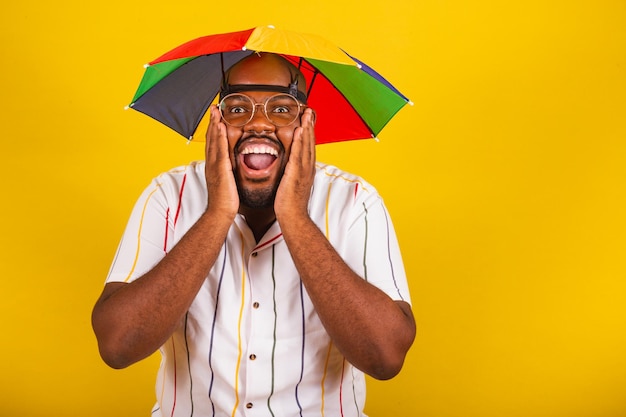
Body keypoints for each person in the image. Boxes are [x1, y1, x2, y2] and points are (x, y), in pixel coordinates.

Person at [92, 52, 416, 416]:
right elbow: (117, 347)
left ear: (307, 124)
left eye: (281, 109)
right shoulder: (168, 196)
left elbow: (386, 357)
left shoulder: (355, 202)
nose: (258, 124)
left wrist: (294, 214)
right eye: (237, 108)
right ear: (216, 122)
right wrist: (217, 214)